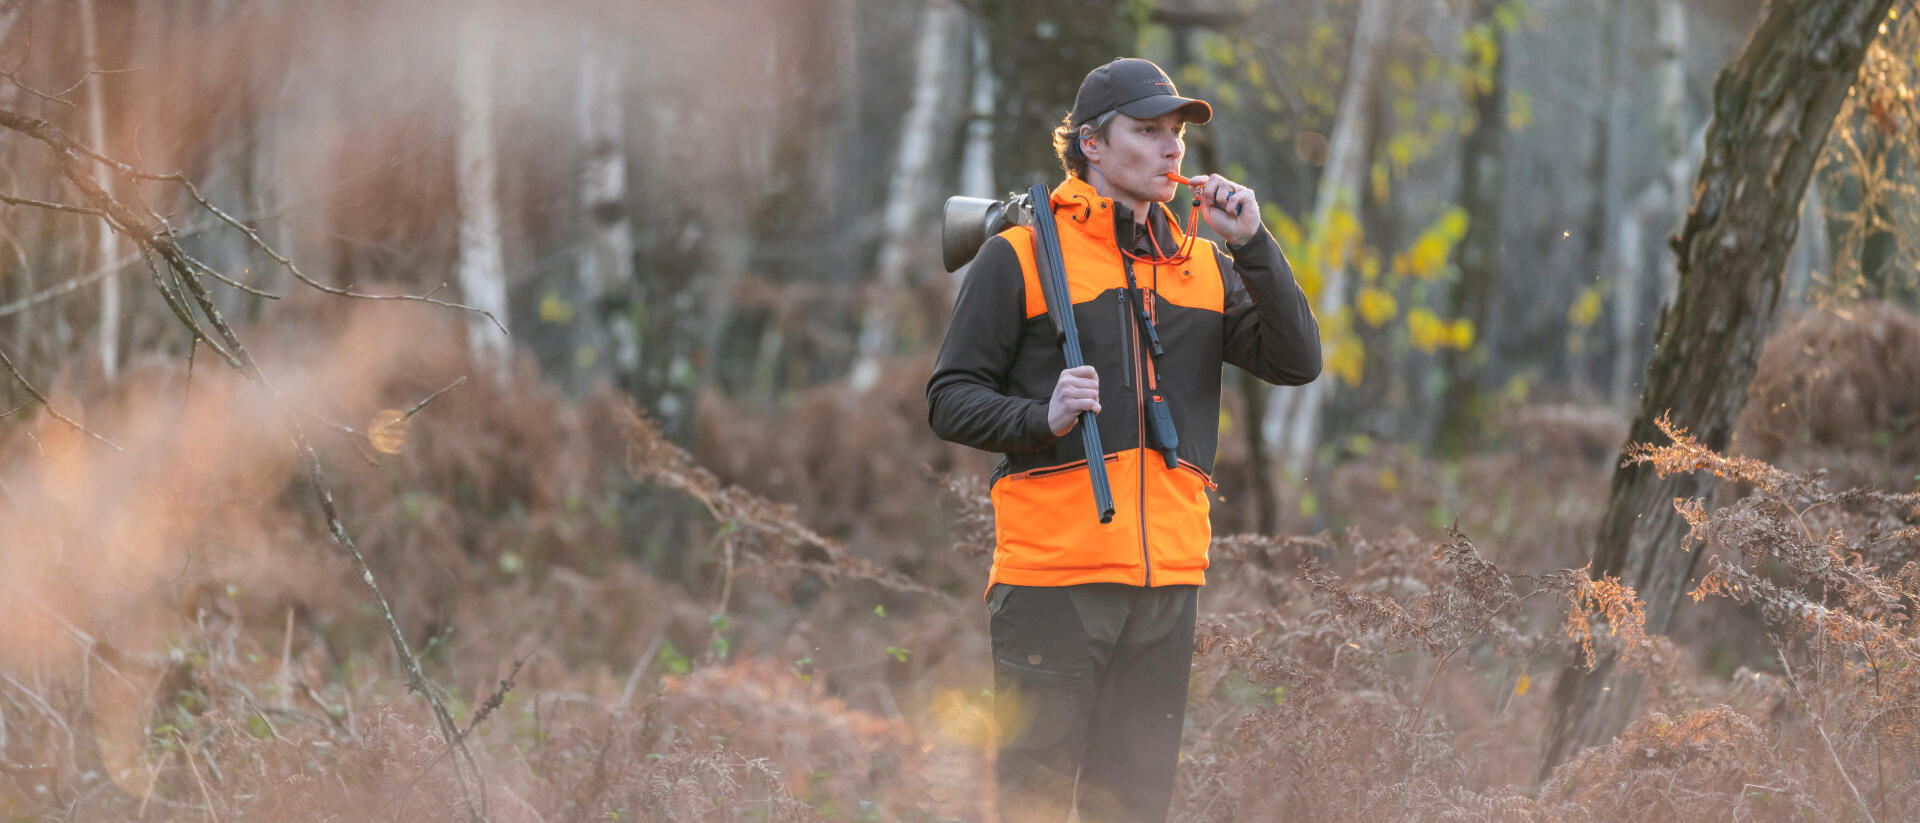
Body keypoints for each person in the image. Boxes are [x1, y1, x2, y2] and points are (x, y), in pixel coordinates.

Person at [925, 57, 1323, 821]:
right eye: (1149, 132)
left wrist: (1256, 246)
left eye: (1176, 134)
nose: (1173, 149)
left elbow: (1296, 360)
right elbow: (950, 399)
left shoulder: (1201, 264)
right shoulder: (1019, 253)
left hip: (1167, 586)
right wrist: (1040, 417)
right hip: (1052, 584)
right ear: (1092, 146)